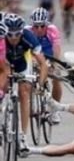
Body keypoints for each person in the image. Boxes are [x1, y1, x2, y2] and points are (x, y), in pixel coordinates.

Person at [2, 14, 49, 153]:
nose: (14, 38)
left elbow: (43, 64)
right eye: (10, 35)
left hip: (23, 64)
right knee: (3, 87)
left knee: (24, 92)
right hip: (4, 63)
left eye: (17, 34)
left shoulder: (29, 37)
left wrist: (40, 84)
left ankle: (23, 136)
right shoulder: (1, 39)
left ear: (22, 32)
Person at [25, 8, 63, 124]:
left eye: (42, 26)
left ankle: (55, 109)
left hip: (48, 54)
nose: (39, 29)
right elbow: (25, 52)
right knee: (29, 76)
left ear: (47, 24)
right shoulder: (27, 31)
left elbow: (56, 49)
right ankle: (31, 102)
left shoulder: (52, 30)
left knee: (57, 78)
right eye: (36, 26)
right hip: (33, 55)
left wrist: (54, 64)